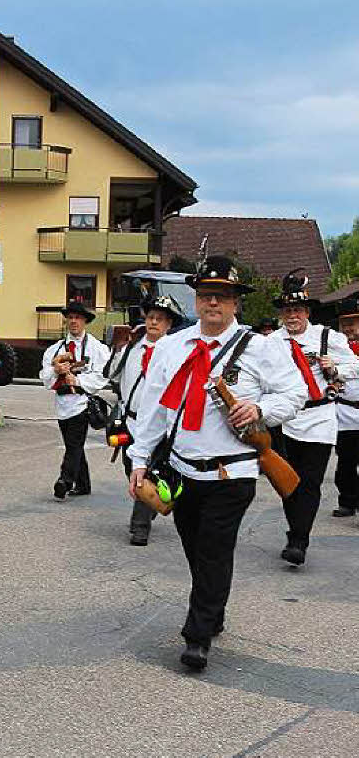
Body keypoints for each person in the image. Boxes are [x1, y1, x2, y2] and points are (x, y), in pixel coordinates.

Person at [128, 255, 307, 671]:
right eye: (207, 295)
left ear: (235, 303)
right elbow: (154, 408)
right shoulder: (172, 346)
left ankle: (197, 636)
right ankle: (213, 607)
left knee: (212, 549)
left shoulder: (260, 348)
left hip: (234, 471)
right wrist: (139, 459)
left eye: (222, 296)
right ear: (196, 299)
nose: (213, 303)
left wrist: (258, 408)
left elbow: (294, 395)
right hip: (183, 470)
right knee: (196, 549)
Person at [270, 271, 359, 565]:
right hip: (284, 420)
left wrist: (335, 369)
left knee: (309, 481)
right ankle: (295, 528)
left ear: (307, 311)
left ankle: (299, 540)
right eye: (287, 310)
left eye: (297, 309)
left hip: (319, 417)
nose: (292, 315)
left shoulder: (327, 337)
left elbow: (355, 367)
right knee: (286, 481)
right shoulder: (271, 342)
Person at [111, 296, 181, 545]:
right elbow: (114, 377)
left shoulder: (175, 352)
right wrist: (119, 348)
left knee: (148, 474)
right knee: (131, 470)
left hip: (160, 425)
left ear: (168, 324)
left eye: (159, 319)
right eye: (150, 317)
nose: (153, 322)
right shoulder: (132, 347)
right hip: (130, 422)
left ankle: (139, 527)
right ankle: (148, 504)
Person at [40, 300, 110, 500]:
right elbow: (44, 377)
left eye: (78, 318)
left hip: (82, 403)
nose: (73, 321)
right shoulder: (55, 350)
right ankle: (83, 484)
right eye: (70, 317)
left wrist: (78, 380)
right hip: (62, 404)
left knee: (73, 444)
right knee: (74, 445)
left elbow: (102, 375)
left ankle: (65, 480)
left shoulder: (96, 348)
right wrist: (55, 370)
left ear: (85, 321)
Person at [333, 298, 359, 519]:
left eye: (354, 321)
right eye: (345, 323)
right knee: (346, 464)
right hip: (345, 414)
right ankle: (348, 501)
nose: (349, 327)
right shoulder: (336, 348)